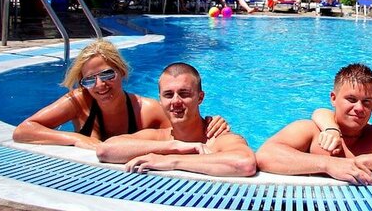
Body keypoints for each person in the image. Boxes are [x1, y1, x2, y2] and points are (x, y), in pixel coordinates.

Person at [256, 64, 372, 184]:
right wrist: (327, 164)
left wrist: (358, 162)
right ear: (333, 98)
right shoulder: (311, 130)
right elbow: (266, 154)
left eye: (367, 101)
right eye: (351, 99)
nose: (359, 108)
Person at [96, 63, 256, 177]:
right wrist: (175, 147)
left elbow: (245, 163)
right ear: (160, 100)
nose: (176, 101)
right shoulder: (159, 138)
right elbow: (105, 150)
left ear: (200, 98)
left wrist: (171, 160)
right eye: (168, 95)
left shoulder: (218, 138)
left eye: (184, 94)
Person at [12, 40, 169, 149]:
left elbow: (179, 142)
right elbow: (23, 131)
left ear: (121, 71)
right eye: (89, 80)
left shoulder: (148, 110)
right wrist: (76, 138)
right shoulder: (78, 102)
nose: (100, 85)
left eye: (107, 74)